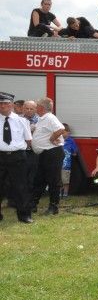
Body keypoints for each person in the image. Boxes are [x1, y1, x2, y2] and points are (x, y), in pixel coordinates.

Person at [0, 92, 34, 224]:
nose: (3, 106)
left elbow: (28, 140)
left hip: (17, 157)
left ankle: (24, 215)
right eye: (1, 104)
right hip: (0, 156)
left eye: (6, 104)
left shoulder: (22, 121)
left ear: (12, 105)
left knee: (21, 187)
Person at [30, 97, 66, 215]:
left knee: (53, 180)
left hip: (52, 153)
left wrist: (52, 138)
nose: (35, 108)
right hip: (44, 153)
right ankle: (33, 205)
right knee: (39, 179)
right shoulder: (41, 119)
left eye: (36, 106)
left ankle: (53, 207)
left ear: (41, 108)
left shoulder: (50, 117)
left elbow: (61, 129)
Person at [61, 124, 78, 199]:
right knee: (58, 180)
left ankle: (65, 194)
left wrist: (72, 152)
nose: (61, 134)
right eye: (60, 132)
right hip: (57, 165)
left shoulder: (71, 141)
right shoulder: (58, 140)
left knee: (66, 181)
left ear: (68, 132)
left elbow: (75, 153)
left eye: (63, 132)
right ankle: (58, 194)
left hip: (66, 165)